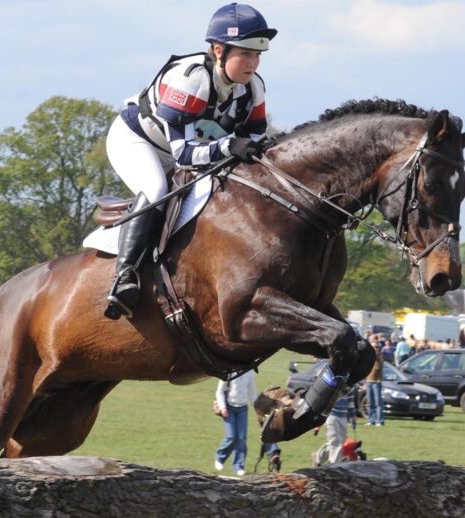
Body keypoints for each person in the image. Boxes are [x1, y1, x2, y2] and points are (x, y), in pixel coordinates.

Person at [103, 3, 276, 320]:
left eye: (258, 55)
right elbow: (184, 154)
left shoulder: (253, 89)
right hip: (138, 141)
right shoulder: (192, 78)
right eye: (246, 54)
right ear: (219, 50)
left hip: (185, 150)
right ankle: (124, 278)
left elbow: (253, 144)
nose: (254, 63)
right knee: (155, 188)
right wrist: (229, 145)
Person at [214, 369, 258, 476]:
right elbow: (219, 391)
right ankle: (220, 458)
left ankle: (239, 466)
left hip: (243, 409)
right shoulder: (229, 371)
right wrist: (223, 407)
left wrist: (258, 409)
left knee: (242, 438)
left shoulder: (250, 372)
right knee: (231, 436)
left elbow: (252, 394)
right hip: (229, 408)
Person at [312, 385, 356, 466]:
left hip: (343, 416)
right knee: (335, 442)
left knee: (340, 442)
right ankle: (334, 466)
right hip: (332, 415)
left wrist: (353, 415)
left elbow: (351, 401)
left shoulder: (352, 383)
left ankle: (318, 457)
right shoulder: (338, 380)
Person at [365, 341, 384, 426]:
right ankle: (371, 419)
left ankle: (379, 420)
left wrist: (375, 355)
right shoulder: (368, 356)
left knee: (378, 402)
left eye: (377, 347)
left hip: (377, 381)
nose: (375, 348)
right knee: (370, 402)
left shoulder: (380, 356)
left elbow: (378, 367)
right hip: (369, 381)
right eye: (373, 347)